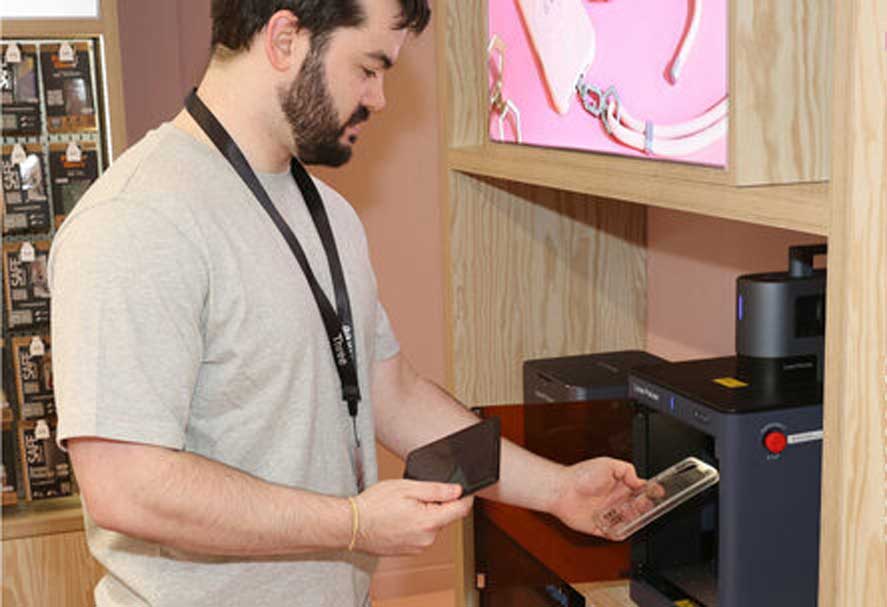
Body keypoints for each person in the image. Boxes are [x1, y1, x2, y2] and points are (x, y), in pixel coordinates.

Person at [48, 1, 646, 606]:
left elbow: (395, 394)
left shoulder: (328, 212)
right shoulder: (135, 222)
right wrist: (354, 524)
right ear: (285, 39)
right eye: (368, 67)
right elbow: (127, 488)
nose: (380, 97)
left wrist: (557, 489)